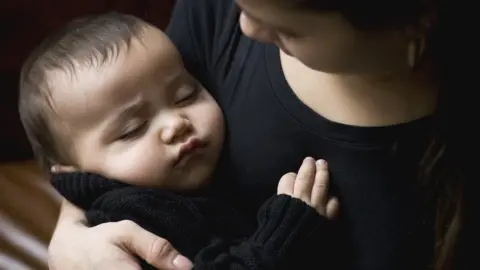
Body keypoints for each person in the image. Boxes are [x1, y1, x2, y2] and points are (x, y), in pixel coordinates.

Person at [46, 0, 472, 269]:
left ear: (413, 23)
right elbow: (88, 152)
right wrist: (69, 243)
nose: (247, 27)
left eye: (288, 30)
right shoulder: (213, 15)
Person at [18, 12, 339, 269]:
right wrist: (282, 239)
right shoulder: (135, 218)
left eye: (186, 95)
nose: (176, 125)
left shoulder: (188, 186)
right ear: (75, 172)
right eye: (132, 129)